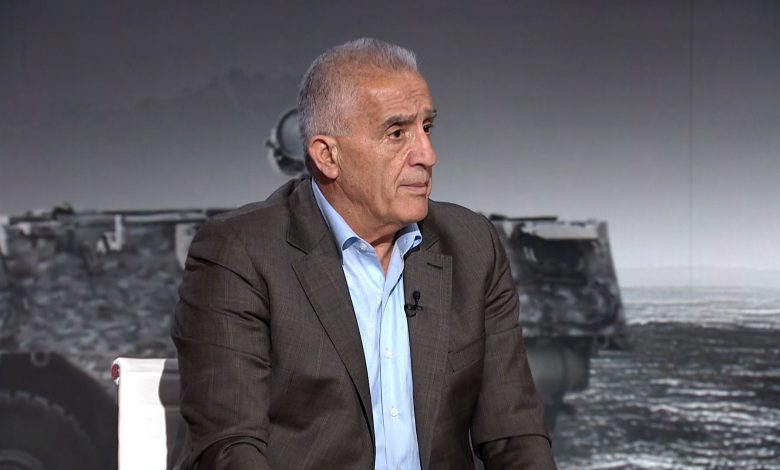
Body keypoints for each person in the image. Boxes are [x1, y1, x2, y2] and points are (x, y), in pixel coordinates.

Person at [172, 38, 556, 470]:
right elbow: (229, 448)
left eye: (427, 128)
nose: (427, 155)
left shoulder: (472, 244)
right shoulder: (240, 254)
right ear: (328, 156)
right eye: (397, 133)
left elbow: (514, 433)